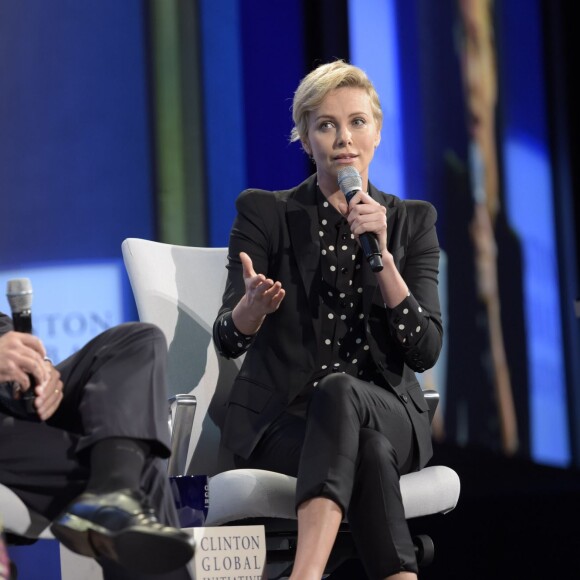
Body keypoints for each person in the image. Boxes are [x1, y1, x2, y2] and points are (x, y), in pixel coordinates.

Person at [213, 60, 443, 580]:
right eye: (325, 125)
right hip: (284, 421)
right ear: (304, 137)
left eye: (357, 122)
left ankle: (305, 575)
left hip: (388, 409)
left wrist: (383, 258)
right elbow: (227, 338)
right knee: (366, 450)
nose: (344, 139)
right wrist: (251, 308)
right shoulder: (263, 213)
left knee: (342, 395)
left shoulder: (413, 222)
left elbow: (424, 349)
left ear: (378, 132)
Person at [0, 312, 194, 579]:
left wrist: (37, 369)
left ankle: (113, 492)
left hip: (16, 403)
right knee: (132, 469)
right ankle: (114, 496)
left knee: (138, 340)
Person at [443, 0, 529, 456]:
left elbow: (518, 444)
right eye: (462, 45)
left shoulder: (510, 248)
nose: (471, 76)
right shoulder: (430, 225)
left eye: (480, 47)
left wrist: (492, 305)